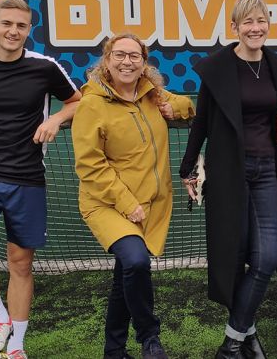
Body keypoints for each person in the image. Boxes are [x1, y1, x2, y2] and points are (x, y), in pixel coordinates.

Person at [0, 0, 82, 359]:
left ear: (28, 29)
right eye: (7, 23)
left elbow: (77, 101)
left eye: (21, 26)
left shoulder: (45, 67)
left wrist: (55, 119)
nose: (13, 31)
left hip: (27, 178)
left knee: (20, 264)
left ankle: (17, 346)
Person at [179, 0, 277, 359]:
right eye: (247, 22)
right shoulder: (218, 68)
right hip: (227, 174)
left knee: (266, 259)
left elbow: (276, 99)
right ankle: (246, 336)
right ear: (234, 28)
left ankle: (232, 341)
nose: (255, 28)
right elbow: (202, 120)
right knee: (234, 257)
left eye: (261, 21)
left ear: (268, 24)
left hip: (268, 170)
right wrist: (188, 167)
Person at [72, 33, 194, 359]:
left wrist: (174, 108)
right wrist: (127, 204)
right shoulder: (91, 105)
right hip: (107, 203)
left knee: (125, 274)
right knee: (137, 261)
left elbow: (187, 105)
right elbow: (90, 166)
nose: (127, 61)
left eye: (135, 56)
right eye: (120, 55)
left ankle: (113, 351)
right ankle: (149, 337)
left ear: (144, 63)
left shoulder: (151, 94)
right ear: (107, 61)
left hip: (149, 203)